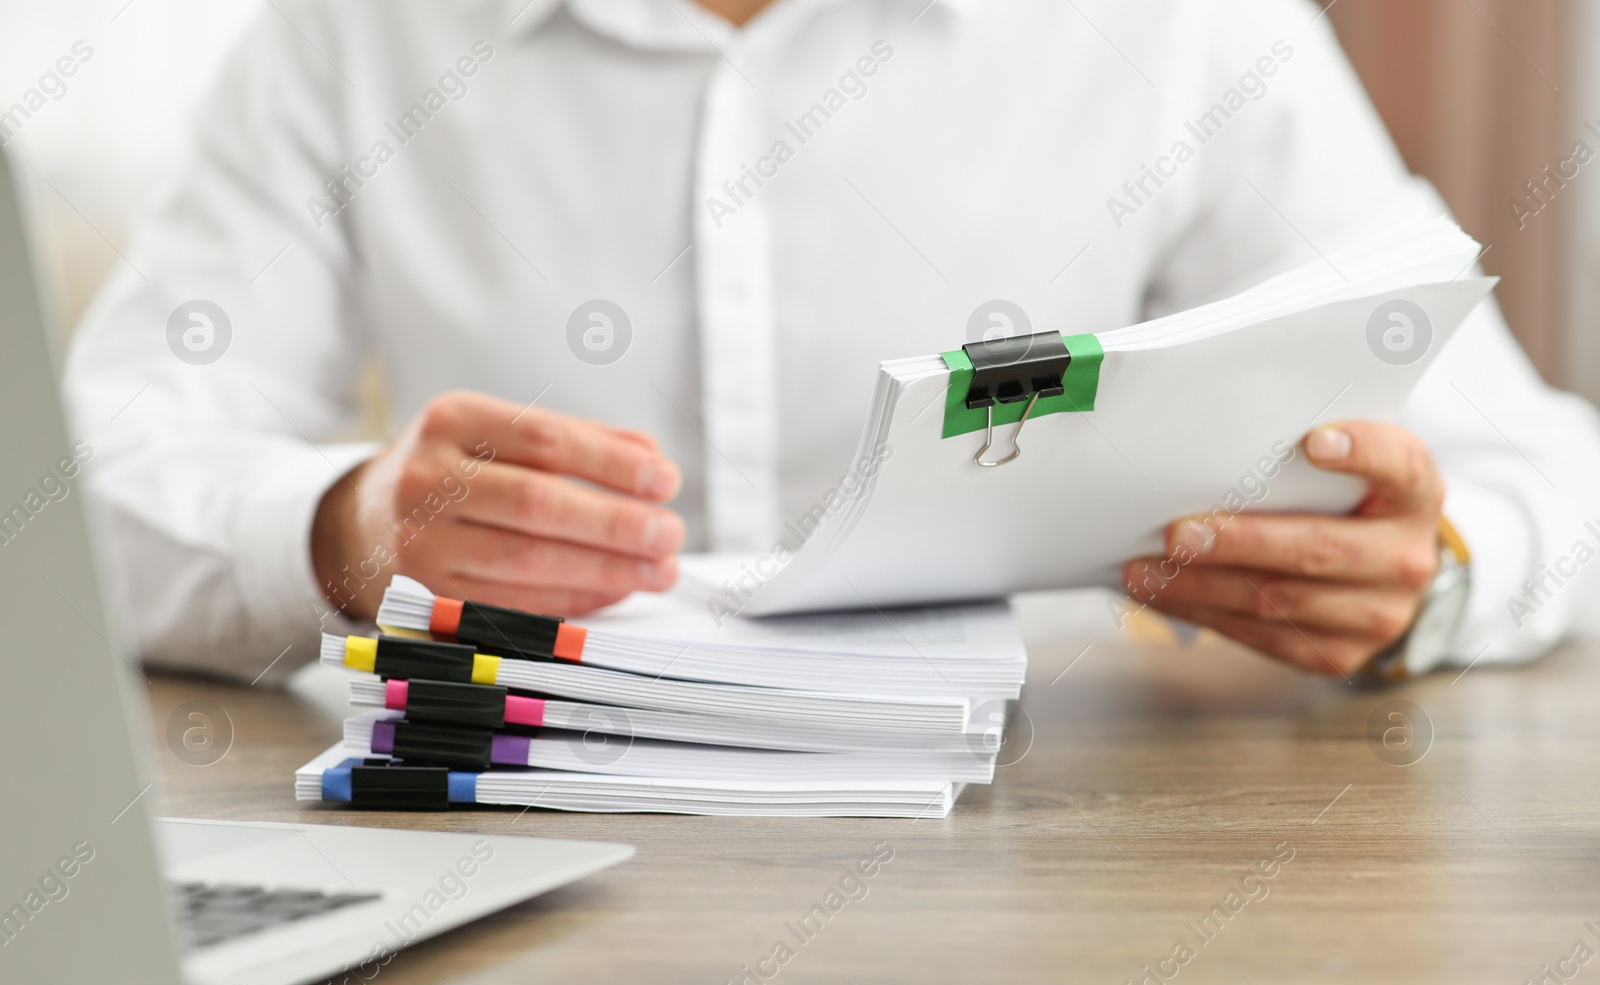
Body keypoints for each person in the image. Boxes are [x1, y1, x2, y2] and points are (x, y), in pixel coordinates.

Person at [64, 0, 1600, 683]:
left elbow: (1545, 475)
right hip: (503, 855)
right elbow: (83, 494)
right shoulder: (351, 32)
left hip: (1065, 866)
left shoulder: (1180, 21)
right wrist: (346, 530)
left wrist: (1432, 581)